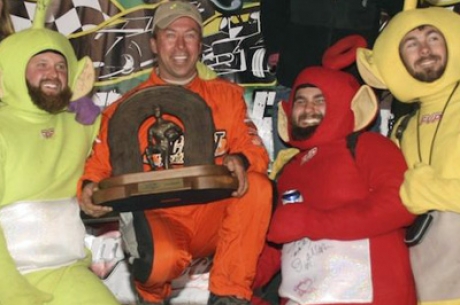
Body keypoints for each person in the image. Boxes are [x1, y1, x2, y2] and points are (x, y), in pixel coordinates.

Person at [78, 1, 272, 304]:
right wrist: (88, 191)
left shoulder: (227, 97)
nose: (180, 45)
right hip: (160, 219)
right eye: (170, 35)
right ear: (154, 43)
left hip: (212, 217)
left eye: (190, 34)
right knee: (159, 256)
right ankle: (150, 297)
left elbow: (254, 150)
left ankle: (230, 296)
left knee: (257, 186)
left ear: (200, 44)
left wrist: (241, 160)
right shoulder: (122, 111)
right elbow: (96, 170)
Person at [253, 36, 417, 305]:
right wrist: (234, 282)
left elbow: (401, 204)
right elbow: (280, 241)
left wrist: (311, 222)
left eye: (320, 100)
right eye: (301, 100)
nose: (308, 108)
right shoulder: (288, 169)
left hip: (369, 295)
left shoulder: (367, 145)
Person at [0, 1, 120, 304]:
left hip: (67, 270)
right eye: (41, 65)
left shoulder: (80, 123)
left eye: (61, 66)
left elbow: (127, 132)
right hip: (10, 276)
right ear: (13, 70)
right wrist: (12, 292)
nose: (53, 74)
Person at [357, 5, 460, 304]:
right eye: (411, 44)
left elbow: (414, 194)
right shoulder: (401, 130)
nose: (424, 50)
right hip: (430, 287)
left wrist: (425, 190)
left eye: (433, 38)